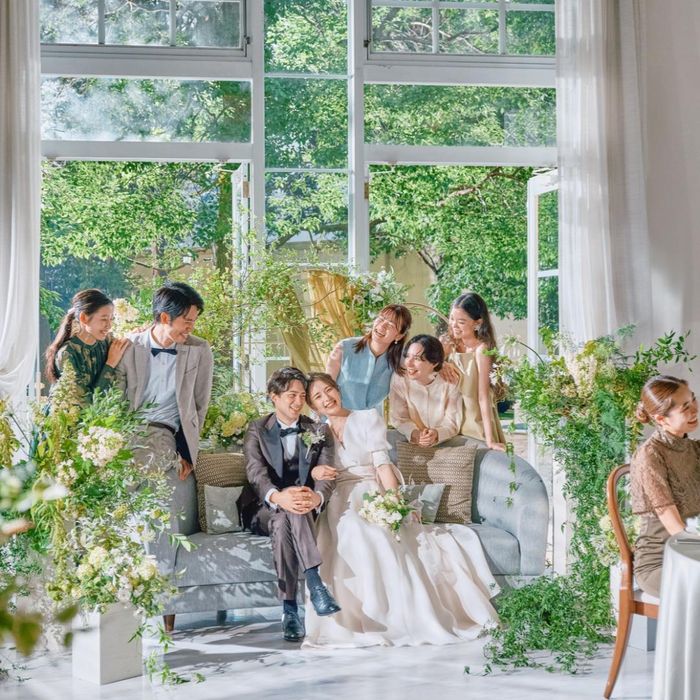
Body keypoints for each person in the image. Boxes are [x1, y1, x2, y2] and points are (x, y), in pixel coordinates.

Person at [303, 372, 499, 649]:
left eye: (329, 390)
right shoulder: (315, 433)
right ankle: (355, 617)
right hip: (337, 496)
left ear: (338, 389)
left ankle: (391, 618)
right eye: (318, 397)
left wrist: (394, 500)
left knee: (374, 531)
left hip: (369, 489)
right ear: (313, 406)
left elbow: (382, 465)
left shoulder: (366, 418)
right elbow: (306, 470)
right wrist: (315, 471)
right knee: (345, 529)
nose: (326, 398)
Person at [244, 367, 341, 643]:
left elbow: (326, 474)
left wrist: (317, 498)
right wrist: (278, 496)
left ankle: (289, 611)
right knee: (285, 510)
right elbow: (255, 473)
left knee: (290, 513)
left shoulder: (319, 430)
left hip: (302, 507)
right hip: (264, 507)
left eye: (301, 396)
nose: (298, 402)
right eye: (291, 395)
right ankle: (315, 583)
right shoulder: (257, 429)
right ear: (273, 396)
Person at [104, 281, 213, 479]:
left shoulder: (199, 350)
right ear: (164, 317)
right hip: (130, 430)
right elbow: (115, 399)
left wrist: (186, 452)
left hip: (165, 431)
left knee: (147, 470)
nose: (191, 327)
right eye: (187, 321)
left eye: (194, 321)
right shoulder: (129, 347)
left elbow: (200, 405)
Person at [631, 375, 700, 597]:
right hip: (661, 563)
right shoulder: (650, 456)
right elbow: (676, 529)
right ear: (661, 419)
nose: (695, 409)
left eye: (693, 399)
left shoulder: (694, 449)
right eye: (685, 407)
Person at [441, 293, 506, 450]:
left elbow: (483, 397)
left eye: (461, 322)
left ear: (477, 323)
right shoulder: (447, 344)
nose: (454, 325)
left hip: (474, 422)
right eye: (452, 319)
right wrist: (441, 362)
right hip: (450, 420)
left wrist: (490, 440)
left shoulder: (481, 350)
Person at [45, 289, 130, 405]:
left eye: (111, 319)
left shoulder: (106, 341)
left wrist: (140, 332)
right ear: (84, 318)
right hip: (67, 415)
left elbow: (128, 343)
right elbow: (86, 404)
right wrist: (110, 364)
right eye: (104, 319)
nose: (109, 326)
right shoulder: (67, 353)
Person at [325, 304, 412, 412]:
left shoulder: (401, 362)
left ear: (399, 336)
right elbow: (325, 389)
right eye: (381, 319)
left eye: (391, 325)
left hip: (371, 420)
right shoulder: (344, 348)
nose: (382, 326)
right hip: (337, 416)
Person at [389, 334, 463, 448]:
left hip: (444, 444)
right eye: (407, 356)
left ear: (434, 363)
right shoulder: (400, 379)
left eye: (417, 358)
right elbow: (399, 418)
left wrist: (437, 434)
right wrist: (415, 434)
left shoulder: (450, 380)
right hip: (411, 442)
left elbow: (452, 422)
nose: (408, 363)